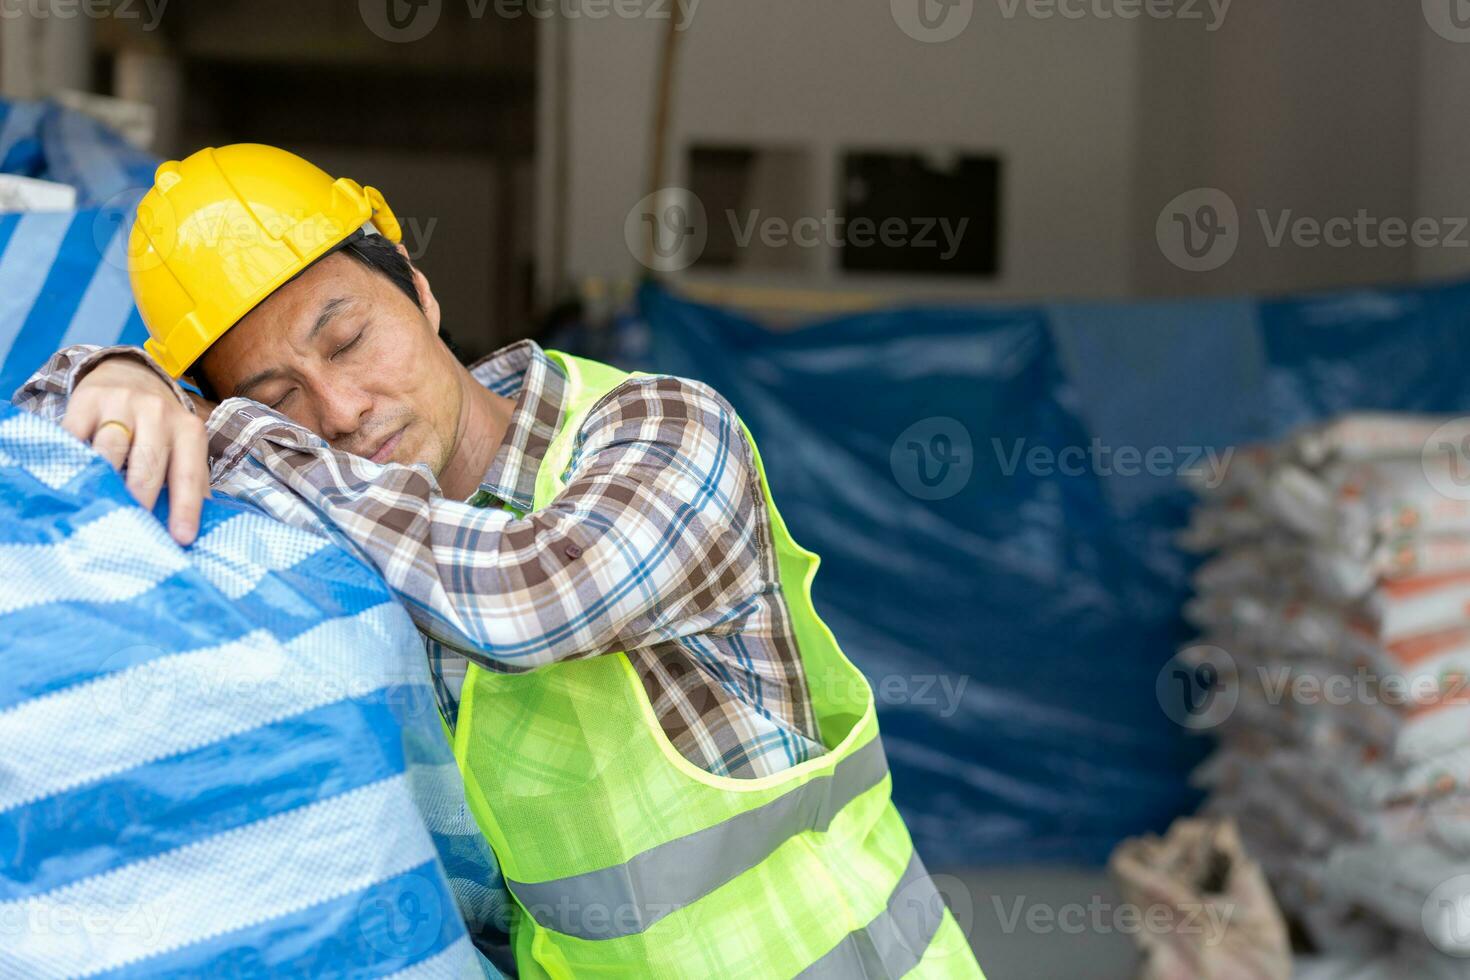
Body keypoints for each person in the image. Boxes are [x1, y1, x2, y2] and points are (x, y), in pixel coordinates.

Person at [16, 144, 982, 979]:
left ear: (422, 290)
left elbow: (531, 601)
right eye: (280, 395)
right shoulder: (356, 545)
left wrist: (244, 433)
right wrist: (112, 376)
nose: (341, 410)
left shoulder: (667, 430)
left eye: (349, 339)